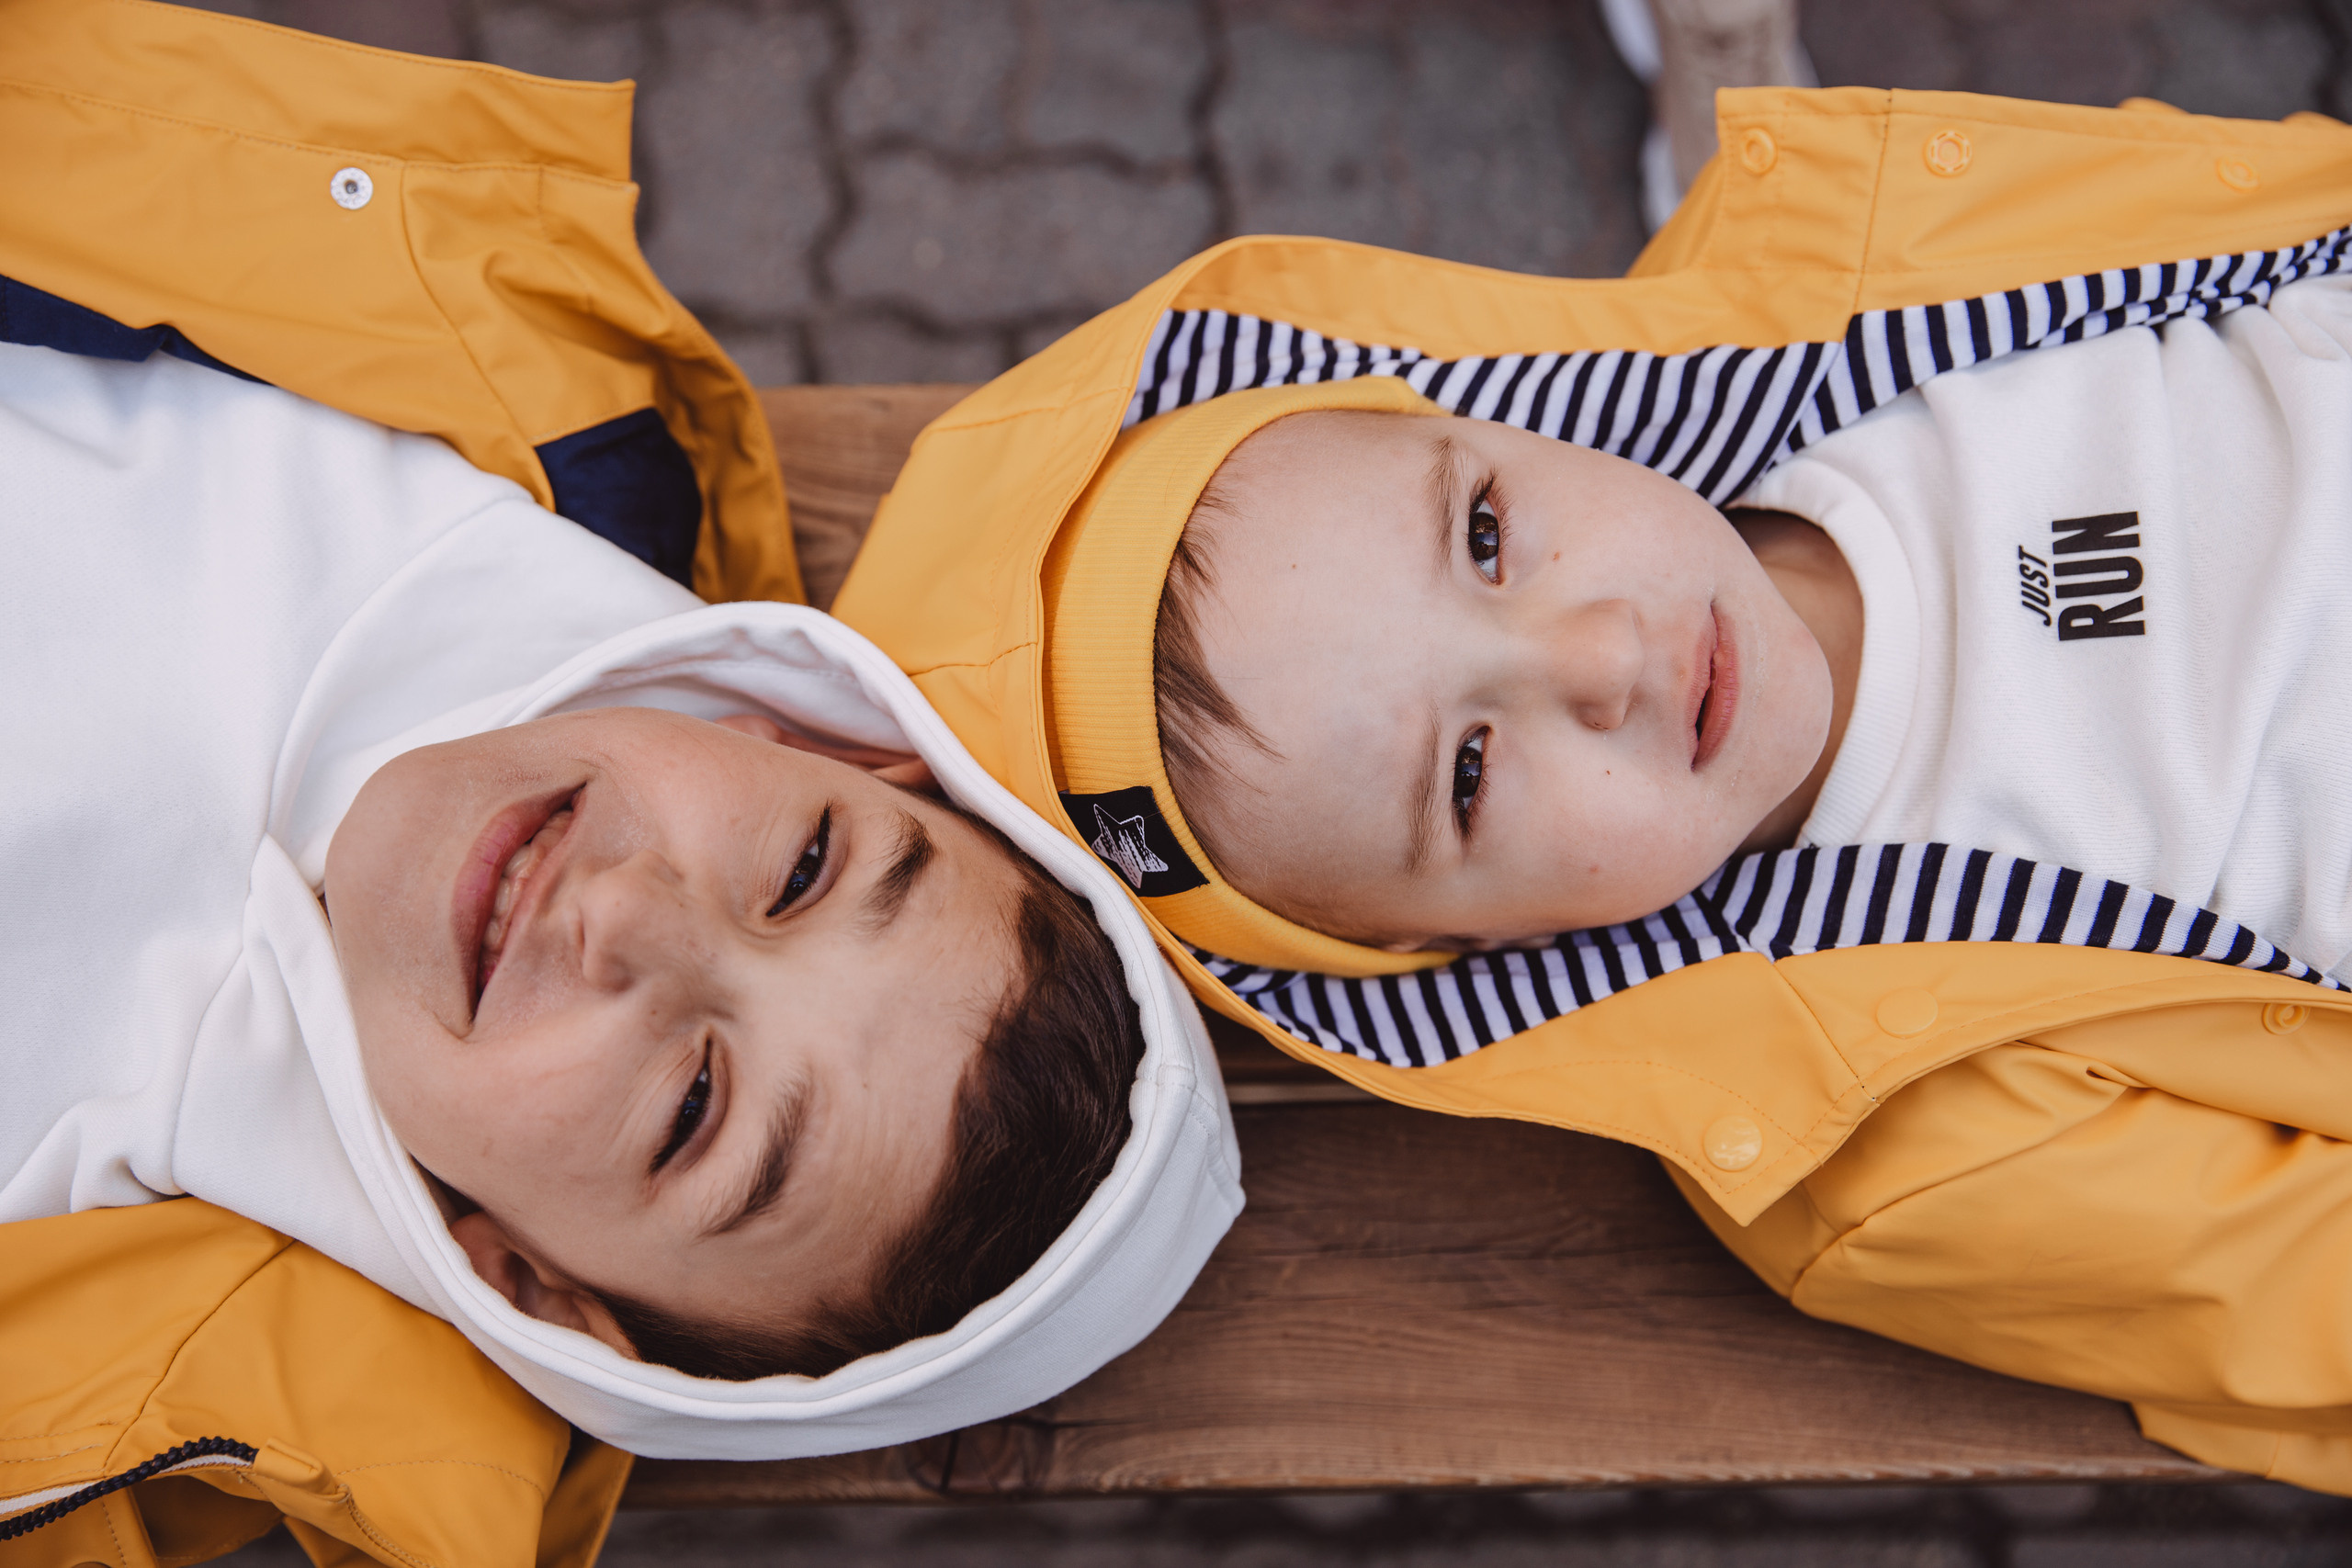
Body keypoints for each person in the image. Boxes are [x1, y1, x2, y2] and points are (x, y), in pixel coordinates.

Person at [833, 89, 2352, 1492]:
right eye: (1473, 773)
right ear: (1464, 966)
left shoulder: (1855, 244)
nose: (1605, 650)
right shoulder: (1894, 1147)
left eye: (1485, 533)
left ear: (1491, 412)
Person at [0, 0, 1241, 1485]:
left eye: (694, 1109)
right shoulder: (516, 400)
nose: (626, 915)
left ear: (534, 1289)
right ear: (830, 745)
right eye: (801, 868)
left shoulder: (83, 1316)